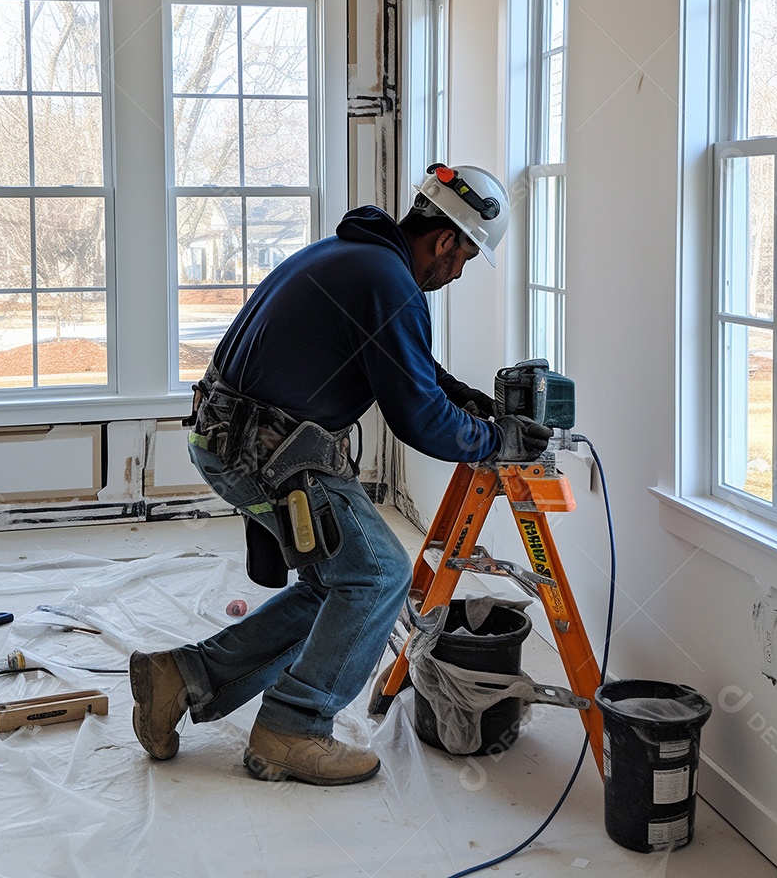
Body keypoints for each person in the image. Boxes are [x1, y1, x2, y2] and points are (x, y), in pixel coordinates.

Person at [129, 163, 553, 786]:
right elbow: (416, 419)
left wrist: (463, 395)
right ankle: (294, 730)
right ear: (443, 241)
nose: (458, 272)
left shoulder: (359, 257)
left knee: (341, 582)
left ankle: (182, 678)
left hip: (235, 435)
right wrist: (497, 439)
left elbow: (405, 362)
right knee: (380, 574)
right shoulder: (389, 282)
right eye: (464, 257)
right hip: (266, 450)